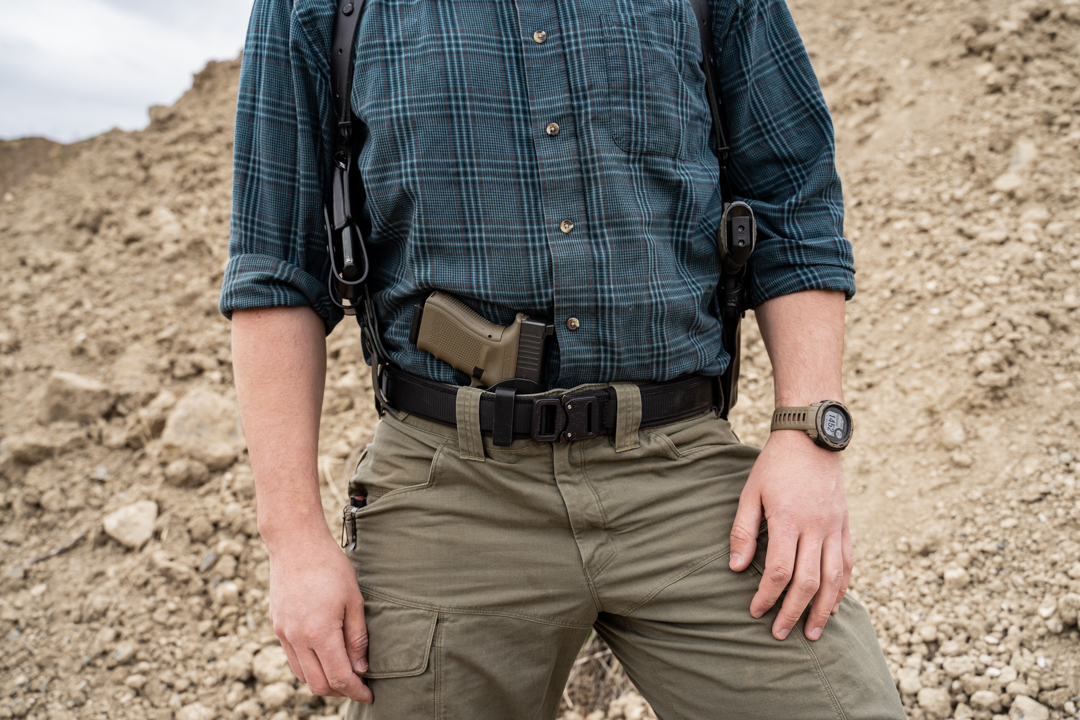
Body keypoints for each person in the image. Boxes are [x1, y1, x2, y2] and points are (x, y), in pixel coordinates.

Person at [221, 0, 905, 717]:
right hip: (450, 491)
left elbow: (793, 201)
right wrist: (293, 541)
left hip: (682, 477)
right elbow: (275, 270)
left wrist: (808, 435)